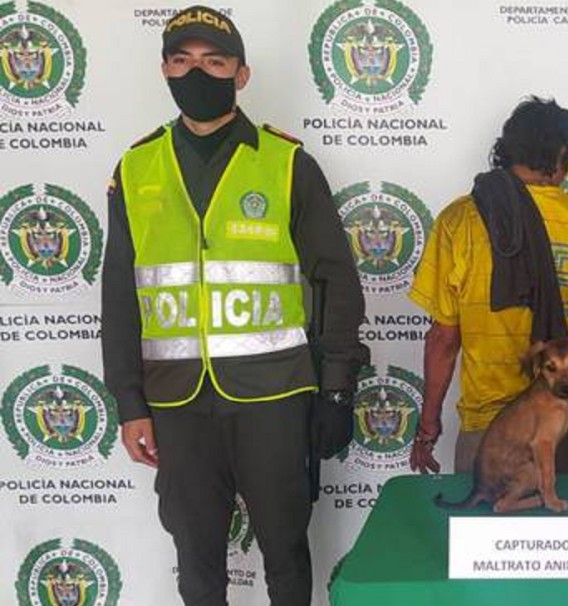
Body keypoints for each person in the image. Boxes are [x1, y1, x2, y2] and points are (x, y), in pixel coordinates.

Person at [100, 6, 365, 605]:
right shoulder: (135, 166)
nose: (198, 73)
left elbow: (336, 283)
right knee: (195, 557)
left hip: (273, 394)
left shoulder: (287, 162)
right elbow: (119, 297)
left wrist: (337, 388)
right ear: (164, 69)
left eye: (214, 62)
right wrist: (128, 402)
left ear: (241, 75)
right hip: (176, 401)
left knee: (286, 553)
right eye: (183, 60)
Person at [407, 97, 568, 476]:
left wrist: (428, 425)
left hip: (487, 428)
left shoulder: (459, 221)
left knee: (486, 532)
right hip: (564, 423)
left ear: (505, 153)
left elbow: (443, 338)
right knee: (567, 532)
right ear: (563, 160)